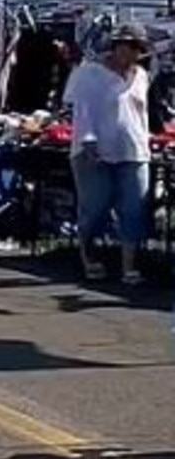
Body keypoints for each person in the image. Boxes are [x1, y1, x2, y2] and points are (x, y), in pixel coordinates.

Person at [63, 22, 151, 284]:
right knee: (94, 209)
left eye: (137, 48)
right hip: (95, 151)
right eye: (128, 46)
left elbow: (142, 114)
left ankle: (129, 266)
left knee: (134, 208)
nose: (132, 53)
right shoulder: (89, 73)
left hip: (134, 151)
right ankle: (89, 257)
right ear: (116, 46)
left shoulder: (142, 76)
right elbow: (83, 111)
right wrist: (89, 143)